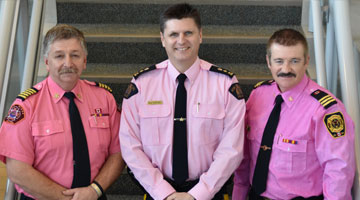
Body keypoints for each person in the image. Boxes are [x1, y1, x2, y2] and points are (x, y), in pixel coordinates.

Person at [119, 3, 245, 200]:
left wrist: (198, 194)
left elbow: (232, 149)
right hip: (157, 192)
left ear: (200, 36)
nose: (181, 40)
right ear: (162, 39)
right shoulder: (142, 85)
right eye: (173, 34)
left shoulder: (225, 84)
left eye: (188, 33)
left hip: (209, 193)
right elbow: (130, 145)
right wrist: (163, 193)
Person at [0, 24, 125, 200]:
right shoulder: (26, 106)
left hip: (93, 196)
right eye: (59, 56)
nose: (68, 63)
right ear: (47, 63)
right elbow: (17, 170)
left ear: (84, 61)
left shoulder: (104, 99)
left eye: (75, 55)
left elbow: (119, 152)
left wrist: (94, 190)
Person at [232, 28, 355, 200]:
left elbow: (338, 170)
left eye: (294, 61)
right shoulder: (258, 94)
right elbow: (245, 155)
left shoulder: (326, 110)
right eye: (279, 61)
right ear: (269, 62)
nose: (286, 69)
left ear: (306, 61)